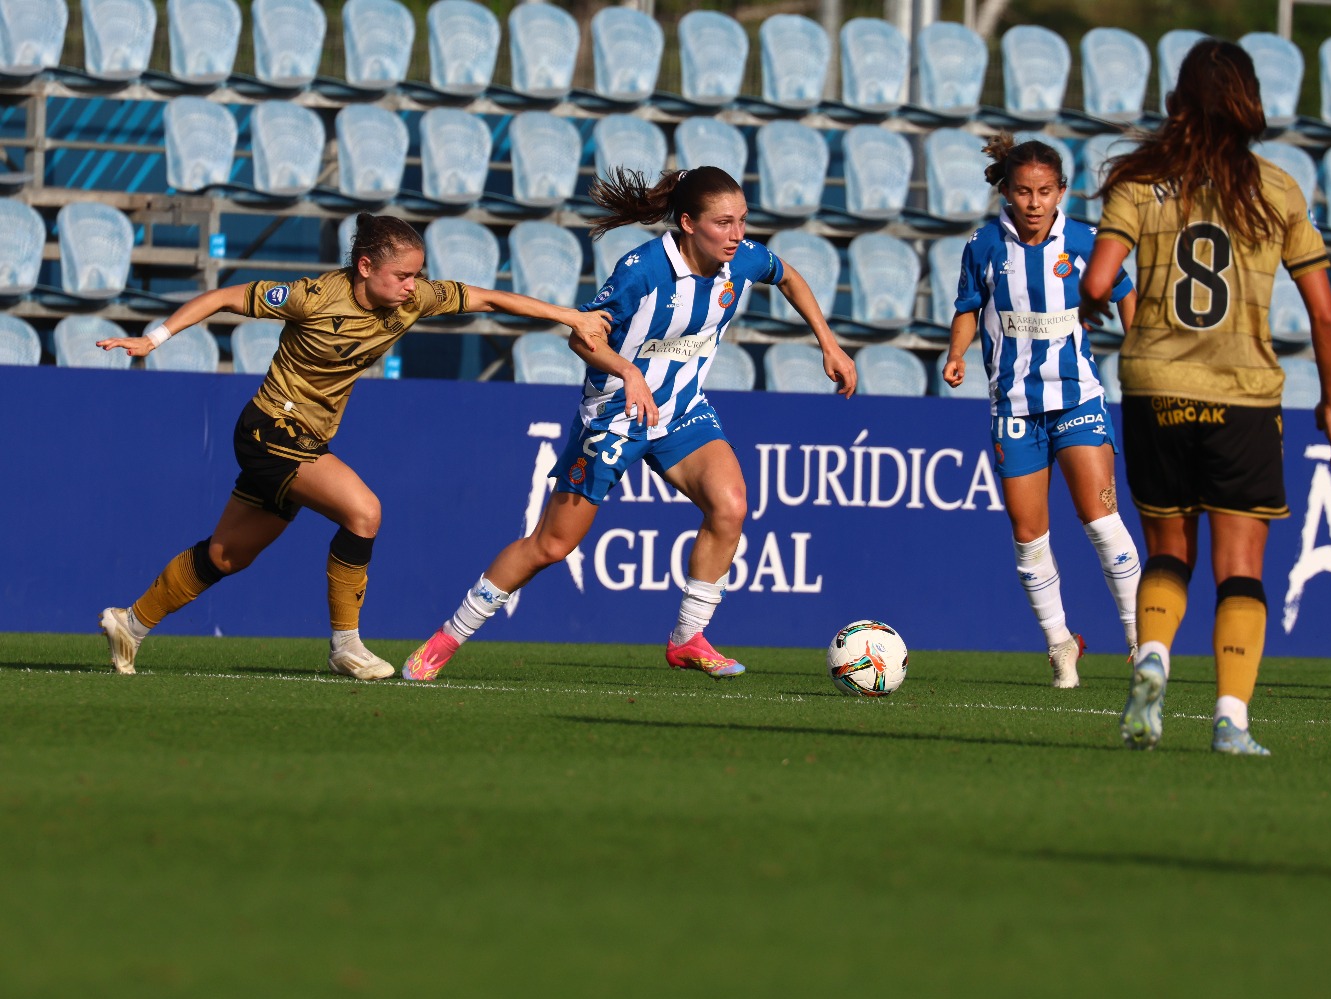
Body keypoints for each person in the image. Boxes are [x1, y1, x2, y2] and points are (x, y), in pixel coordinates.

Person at [95, 214, 611, 680]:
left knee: (228, 556)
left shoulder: (415, 300)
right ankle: (346, 645)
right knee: (364, 512)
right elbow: (224, 297)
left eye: (417, 275)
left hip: (304, 439)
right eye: (402, 276)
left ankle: (131, 622)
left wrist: (571, 316)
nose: (413, 287)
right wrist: (153, 338)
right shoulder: (314, 297)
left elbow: (493, 299)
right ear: (365, 266)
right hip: (270, 430)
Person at [402, 166, 856, 682]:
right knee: (551, 546)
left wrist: (829, 342)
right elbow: (582, 338)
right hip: (615, 416)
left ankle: (688, 638)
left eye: (743, 221)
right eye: (723, 223)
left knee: (730, 505)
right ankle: (447, 637)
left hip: (682, 410)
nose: (737, 235)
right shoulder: (641, 271)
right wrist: (628, 372)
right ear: (687, 223)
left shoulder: (743, 259)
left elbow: (790, 276)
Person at [1080, 38, 1331, 756]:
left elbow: (1100, 280)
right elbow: (1323, 311)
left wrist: (1089, 299)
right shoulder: (1277, 188)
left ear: (1179, 101)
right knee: (1241, 566)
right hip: (1244, 395)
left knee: (1169, 549)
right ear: (1248, 100)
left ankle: (1155, 661)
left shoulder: (1140, 183)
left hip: (1154, 387)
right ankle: (1231, 720)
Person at [941, 134, 1141, 688]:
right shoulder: (983, 246)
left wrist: (1142, 343)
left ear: (1061, 192)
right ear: (1006, 190)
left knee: (1101, 520)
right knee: (1030, 537)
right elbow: (967, 309)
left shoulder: (1084, 241)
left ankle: (1138, 641)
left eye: (1044, 192)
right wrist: (958, 353)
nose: (1033, 203)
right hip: (1016, 410)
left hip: (1077, 399)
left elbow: (1125, 293)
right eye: (1024, 191)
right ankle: (1060, 645)